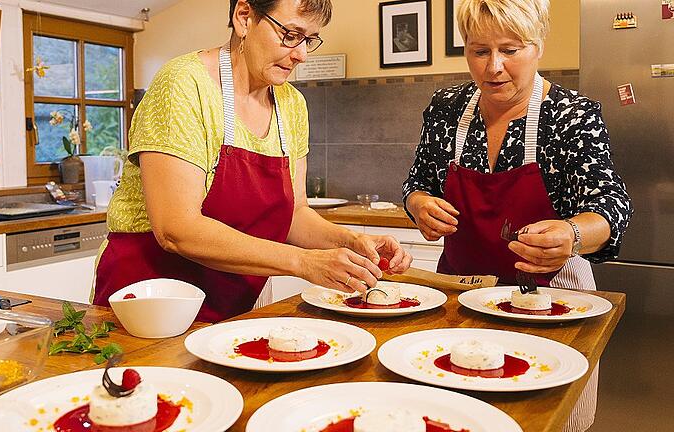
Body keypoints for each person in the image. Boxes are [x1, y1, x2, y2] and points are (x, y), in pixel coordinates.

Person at [92, 0, 412, 323]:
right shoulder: (184, 86)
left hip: (228, 310)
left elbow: (295, 215)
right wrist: (304, 263)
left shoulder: (291, 105)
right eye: (290, 34)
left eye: (309, 39)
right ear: (244, 17)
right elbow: (177, 229)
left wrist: (354, 242)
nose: (301, 54)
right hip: (148, 308)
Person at [402, 1, 632, 431]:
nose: (493, 67)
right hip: (458, 296)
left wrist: (572, 234)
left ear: (538, 45)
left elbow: (610, 208)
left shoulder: (571, 115)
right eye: (478, 50)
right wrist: (419, 205)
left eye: (510, 49)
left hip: (553, 303)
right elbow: (417, 184)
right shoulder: (446, 108)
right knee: (454, 417)